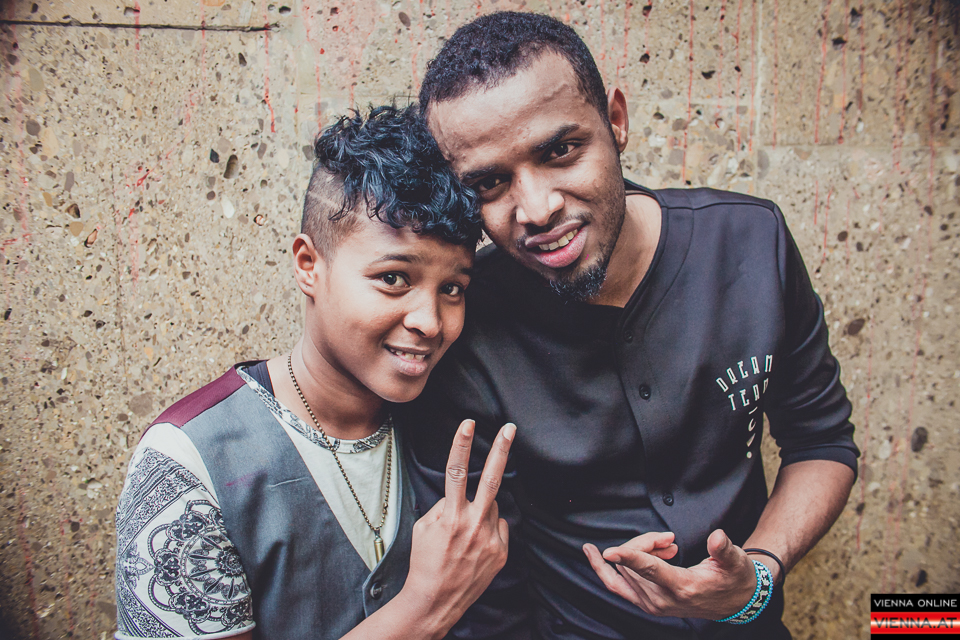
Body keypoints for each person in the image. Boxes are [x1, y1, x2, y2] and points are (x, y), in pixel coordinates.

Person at [396, 11, 860, 639]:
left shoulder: (752, 242)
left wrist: (759, 572)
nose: (537, 209)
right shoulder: (463, 322)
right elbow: (483, 587)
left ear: (615, 120)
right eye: (490, 182)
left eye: (560, 151)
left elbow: (821, 442)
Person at [114, 105, 516, 640]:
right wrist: (425, 608)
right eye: (394, 278)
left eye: (452, 289)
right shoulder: (190, 462)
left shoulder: (450, 417)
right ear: (309, 265)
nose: (429, 321)